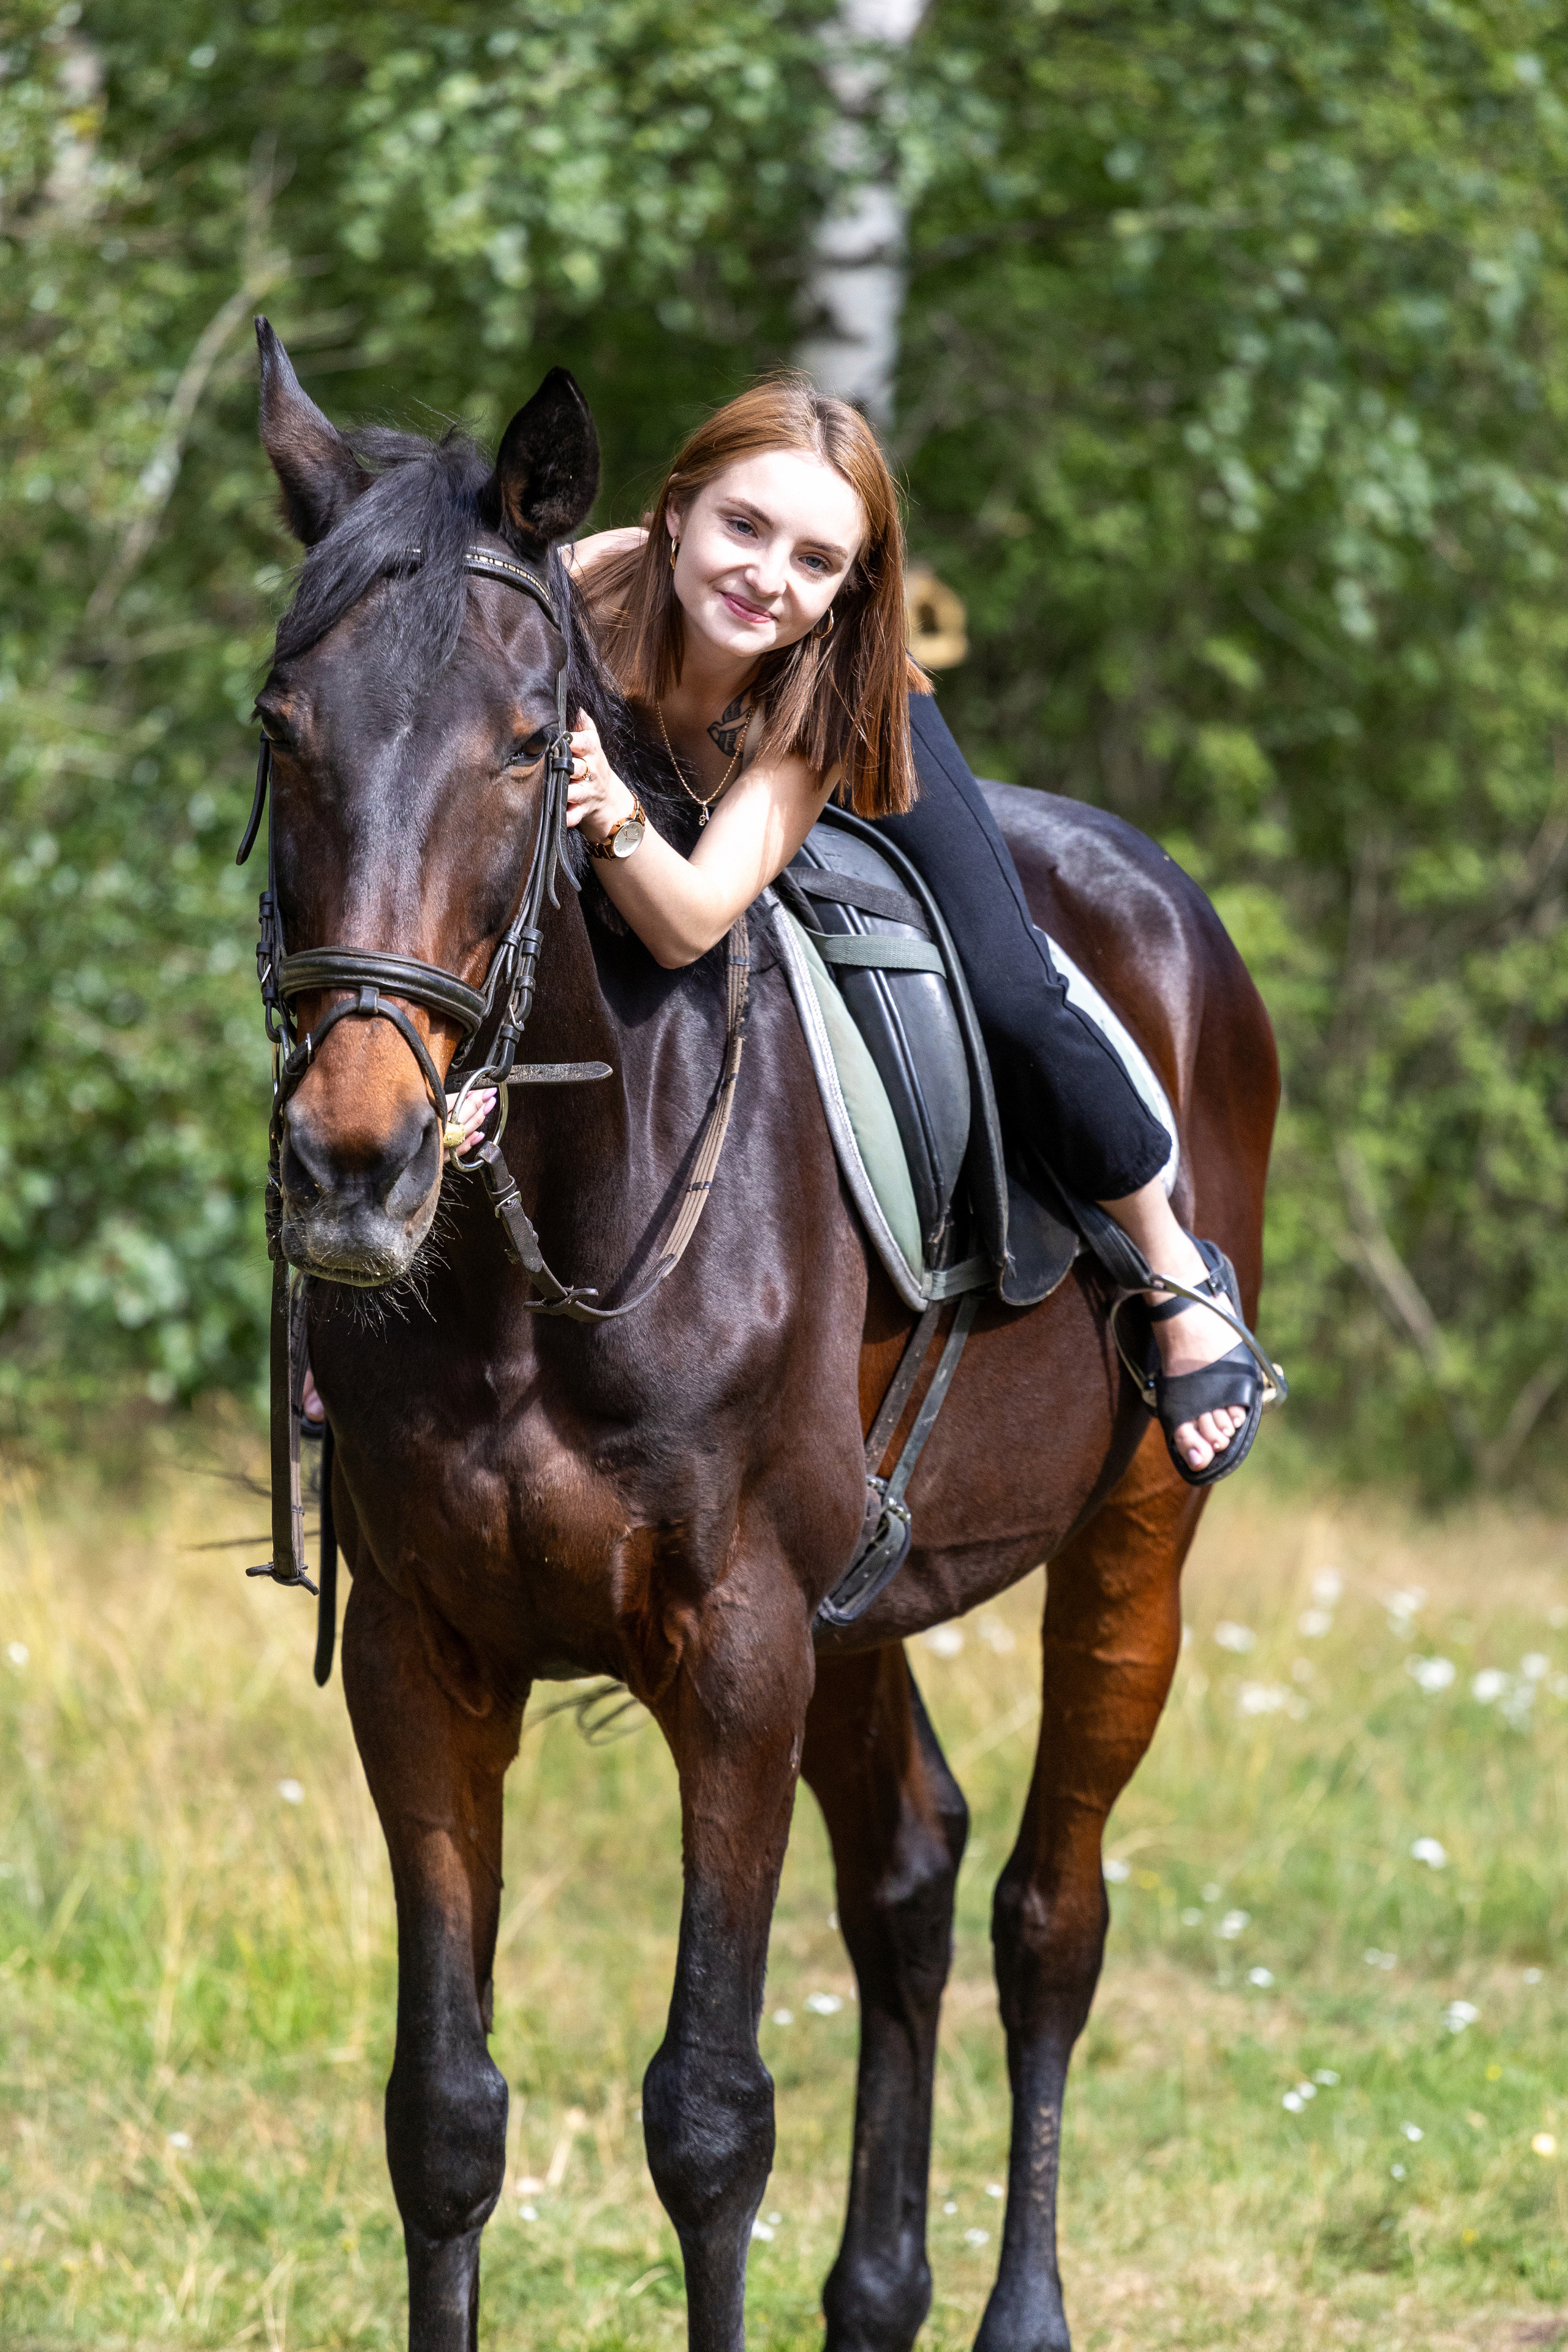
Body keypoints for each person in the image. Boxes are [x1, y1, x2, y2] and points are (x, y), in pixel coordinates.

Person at [552, 376, 1273, 1486]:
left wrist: (611, 810)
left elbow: (689, 921)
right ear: (675, 509)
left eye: (815, 561)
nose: (767, 577)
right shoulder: (577, 589)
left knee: (1011, 993)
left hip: (843, 758)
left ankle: (1179, 1277)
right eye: (743, 526)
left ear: (849, 587)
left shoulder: (829, 678)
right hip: (659, 803)